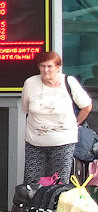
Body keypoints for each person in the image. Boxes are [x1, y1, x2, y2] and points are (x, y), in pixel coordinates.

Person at [21, 51, 93, 184]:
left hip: (63, 142)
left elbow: (87, 106)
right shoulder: (30, 83)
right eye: (42, 66)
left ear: (58, 67)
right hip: (35, 142)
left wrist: (76, 123)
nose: (45, 70)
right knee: (32, 183)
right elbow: (25, 108)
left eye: (49, 66)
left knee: (59, 183)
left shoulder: (69, 82)